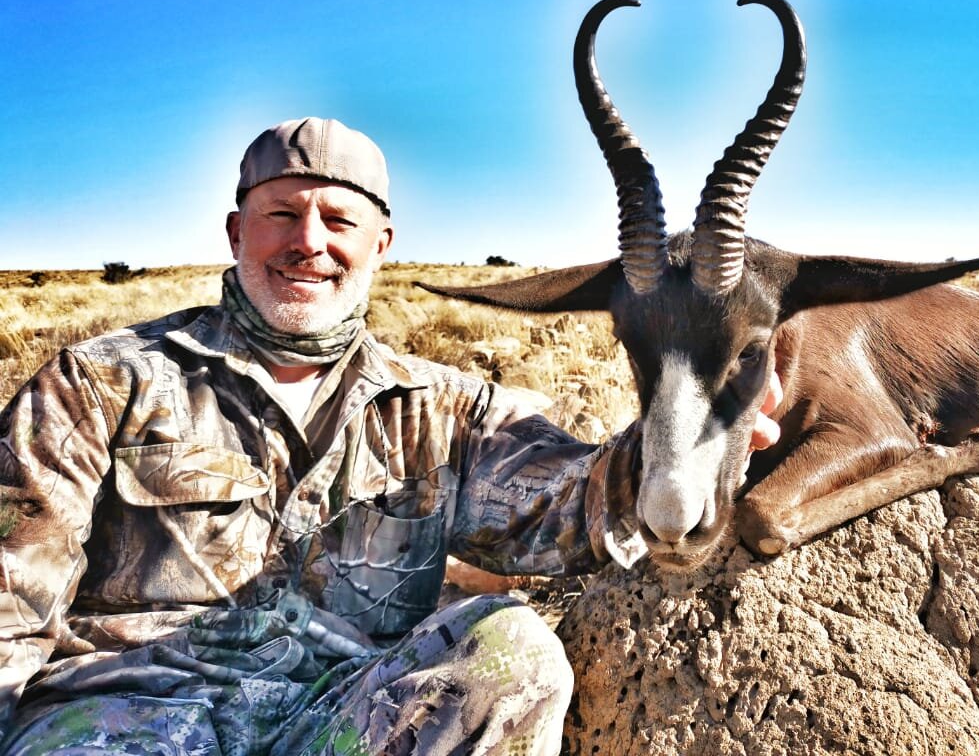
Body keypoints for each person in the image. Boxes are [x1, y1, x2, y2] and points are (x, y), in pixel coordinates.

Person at [0, 117, 782, 756]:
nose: (309, 241)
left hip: (336, 723)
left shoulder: (445, 408)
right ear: (238, 230)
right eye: (282, 214)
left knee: (513, 654)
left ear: (382, 245)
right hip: (121, 724)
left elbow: (573, 503)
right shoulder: (96, 384)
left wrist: (704, 424)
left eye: (339, 219)